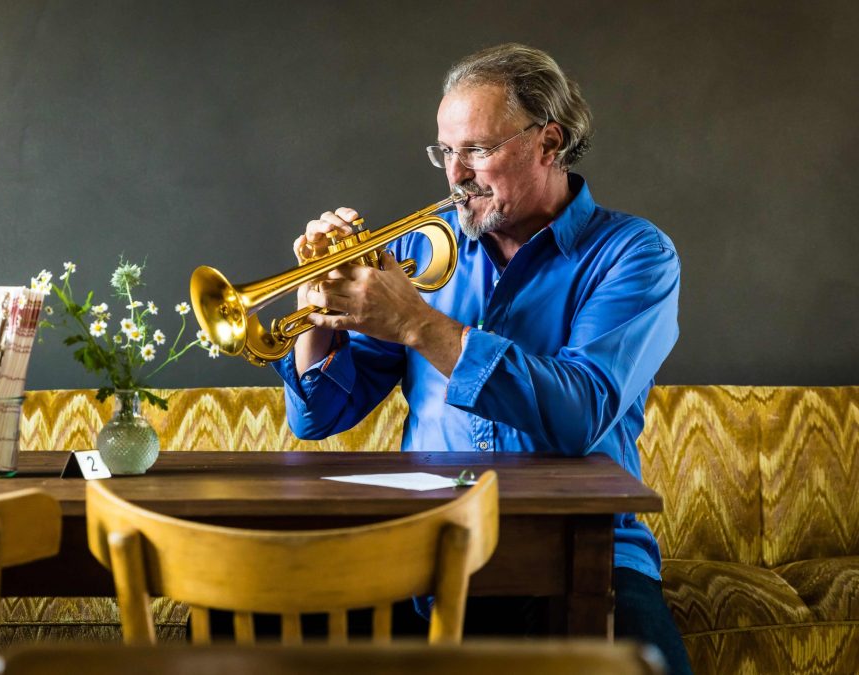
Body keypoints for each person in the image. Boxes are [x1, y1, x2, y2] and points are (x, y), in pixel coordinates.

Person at [271, 43, 691, 674]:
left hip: (585, 549)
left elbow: (579, 410)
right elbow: (317, 420)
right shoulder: (421, 250)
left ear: (548, 142)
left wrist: (416, 321)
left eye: (477, 149)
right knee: (243, 629)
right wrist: (319, 313)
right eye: (446, 152)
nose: (456, 174)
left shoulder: (633, 254)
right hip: (429, 547)